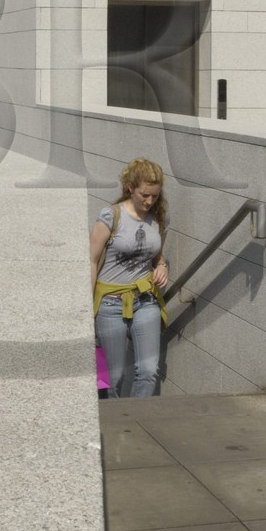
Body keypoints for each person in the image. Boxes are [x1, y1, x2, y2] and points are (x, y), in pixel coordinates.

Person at [89, 158, 169, 399]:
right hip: (109, 303)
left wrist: (162, 266)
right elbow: (91, 260)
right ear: (130, 188)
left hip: (145, 300)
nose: (149, 201)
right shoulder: (111, 216)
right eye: (144, 195)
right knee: (112, 379)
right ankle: (111, 423)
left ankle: (135, 423)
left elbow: (157, 255)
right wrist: (85, 306)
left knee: (148, 371)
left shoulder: (160, 218)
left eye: (154, 196)